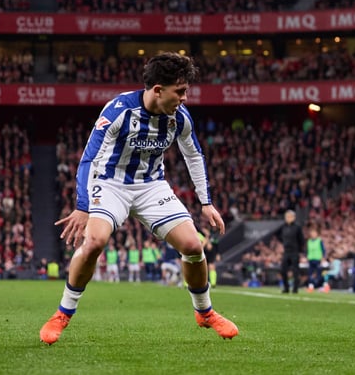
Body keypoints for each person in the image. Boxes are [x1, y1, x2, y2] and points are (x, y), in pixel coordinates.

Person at [39, 53, 238, 344]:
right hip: (110, 183)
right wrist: (83, 205)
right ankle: (62, 313)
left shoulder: (180, 117)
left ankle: (205, 312)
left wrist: (206, 203)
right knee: (94, 242)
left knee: (193, 246)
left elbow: (193, 156)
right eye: (179, 91)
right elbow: (89, 158)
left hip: (151, 185)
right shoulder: (119, 110)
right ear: (158, 90)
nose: (184, 98)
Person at [278, 210, 304, 293]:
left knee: (295, 271)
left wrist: (300, 251)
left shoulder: (297, 227)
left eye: (290, 217)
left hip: (294, 251)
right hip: (286, 251)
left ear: (294, 218)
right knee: (283, 270)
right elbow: (280, 237)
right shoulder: (283, 227)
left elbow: (301, 240)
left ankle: (295, 288)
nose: (288, 218)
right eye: (287, 217)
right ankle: (286, 287)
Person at [305, 227, 326, 291]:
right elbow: (307, 250)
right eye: (312, 233)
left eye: (314, 233)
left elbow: (323, 250)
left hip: (318, 259)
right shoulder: (309, 241)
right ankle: (311, 286)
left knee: (319, 273)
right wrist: (306, 257)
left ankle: (322, 286)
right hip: (311, 259)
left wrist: (322, 258)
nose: (313, 234)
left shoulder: (319, 241)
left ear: (317, 234)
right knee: (310, 273)